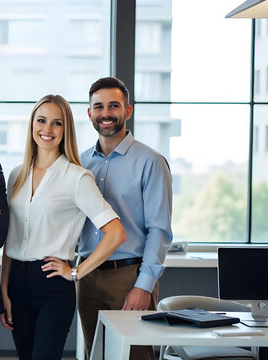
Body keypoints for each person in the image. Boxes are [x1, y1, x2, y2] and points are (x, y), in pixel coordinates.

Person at [0, 95, 126, 360]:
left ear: (65, 130)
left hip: (52, 285)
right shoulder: (16, 175)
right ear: (32, 124)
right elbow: (11, 239)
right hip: (17, 285)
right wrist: (4, 290)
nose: (47, 129)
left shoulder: (76, 177)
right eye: (41, 120)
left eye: (56, 123)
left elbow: (116, 232)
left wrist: (77, 272)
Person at [78, 77, 173, 360]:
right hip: (88, 275)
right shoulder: (80, 162)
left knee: (135, 356)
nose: (106, 113)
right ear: (90, 113)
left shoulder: (150, 162)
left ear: (127, 111)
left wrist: (143, 287)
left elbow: (159, 230)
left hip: (128, 277)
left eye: (113, 106)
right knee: (95, 354)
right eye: (99, 107)